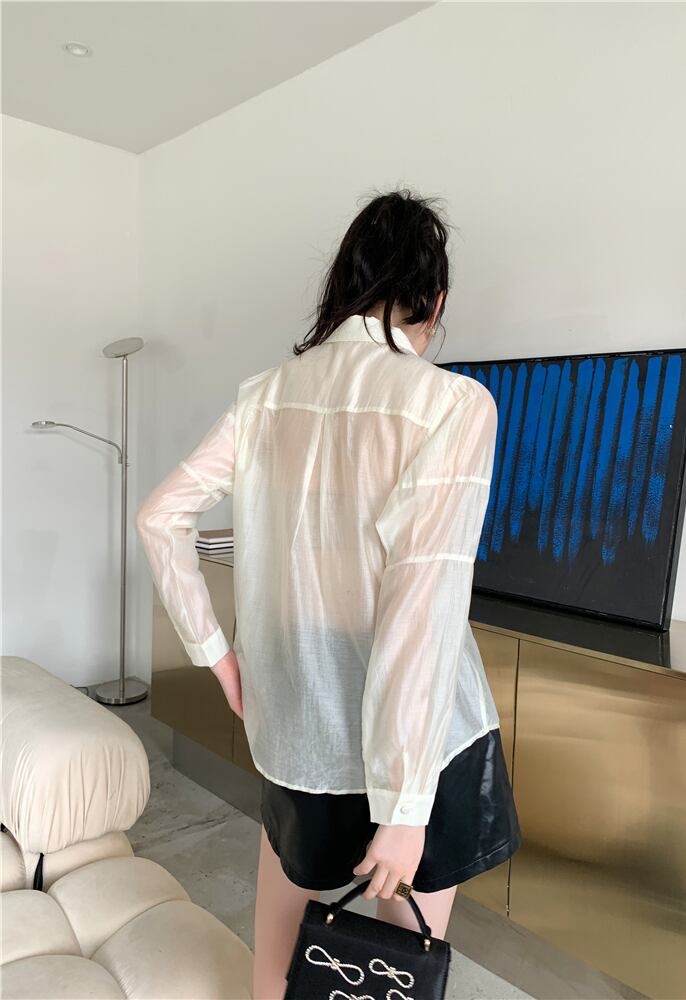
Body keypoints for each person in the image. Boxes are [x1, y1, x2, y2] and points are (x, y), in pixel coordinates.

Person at [136, 187, 521, 1000]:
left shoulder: (265, 394)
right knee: (392, 969)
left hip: (299, 718)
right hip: (425, 740)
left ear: (344, 284)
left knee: (279, 949)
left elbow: (159, 516)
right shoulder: (451, 405)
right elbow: (421, 608)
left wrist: (219, 658)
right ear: (434, 301)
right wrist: (406, 807)